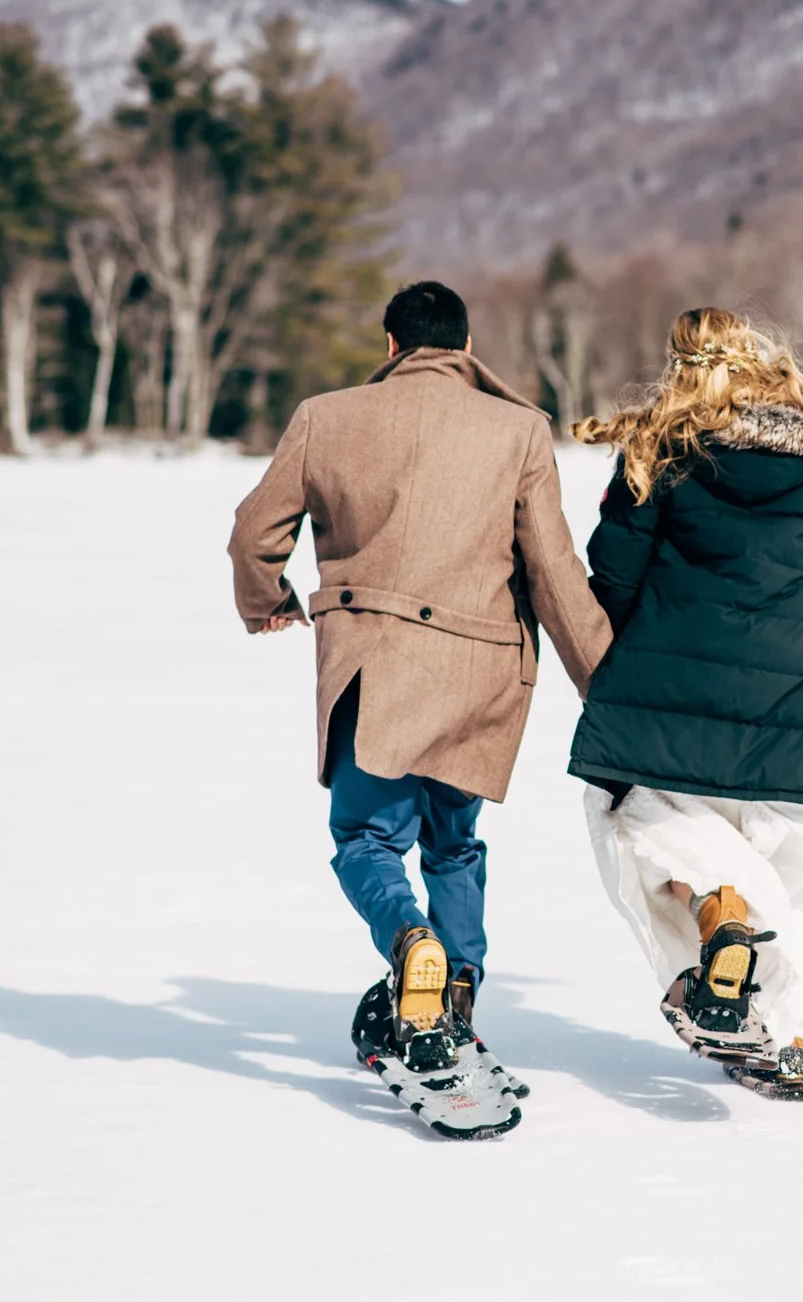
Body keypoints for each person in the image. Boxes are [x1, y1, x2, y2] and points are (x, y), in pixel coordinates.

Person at [228, 280, 611, 1068]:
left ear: (391, 346)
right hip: (482, 670)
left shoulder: (325, 417)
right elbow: (552, 566)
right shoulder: (521, 429)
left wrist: (268, 598)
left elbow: (253, 530)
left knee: (367, 836)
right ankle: (456, 993)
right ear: (467, 350)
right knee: (454, 841)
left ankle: (410, 941)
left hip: (375, 667)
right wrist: (601, 676)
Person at [568, 307, 803, 1089]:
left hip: (669, 701)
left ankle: (723, 919)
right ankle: (796, 1038)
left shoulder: (658, 457)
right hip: (800, 722)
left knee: (655, 827)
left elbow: (612, 579)